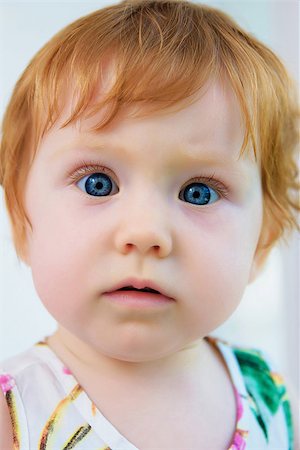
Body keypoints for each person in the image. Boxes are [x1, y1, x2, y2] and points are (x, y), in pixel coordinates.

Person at [0, 0, 298, 448]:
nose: (145, 232)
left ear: (262, 241)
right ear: (24, 222)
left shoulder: (266, 393)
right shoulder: (14, 413)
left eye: (199, 192)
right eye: (98, 184)